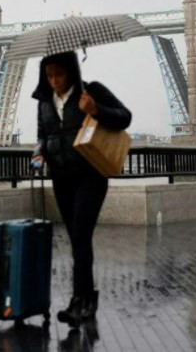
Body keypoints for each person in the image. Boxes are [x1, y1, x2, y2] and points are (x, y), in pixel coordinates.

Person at [31, 51, 131, 327]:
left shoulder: (92, 91)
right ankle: (87, 299)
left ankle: (79, 301)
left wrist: (96, 110)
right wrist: (40, 153)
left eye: (58, 74)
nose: (54, 81)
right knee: (76, 240)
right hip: (61, 178)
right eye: (49, 75)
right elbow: (43, 135)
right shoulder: (44, 103)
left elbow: (125, 117)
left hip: (90, 175)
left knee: (81, 235)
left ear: (71, 72)